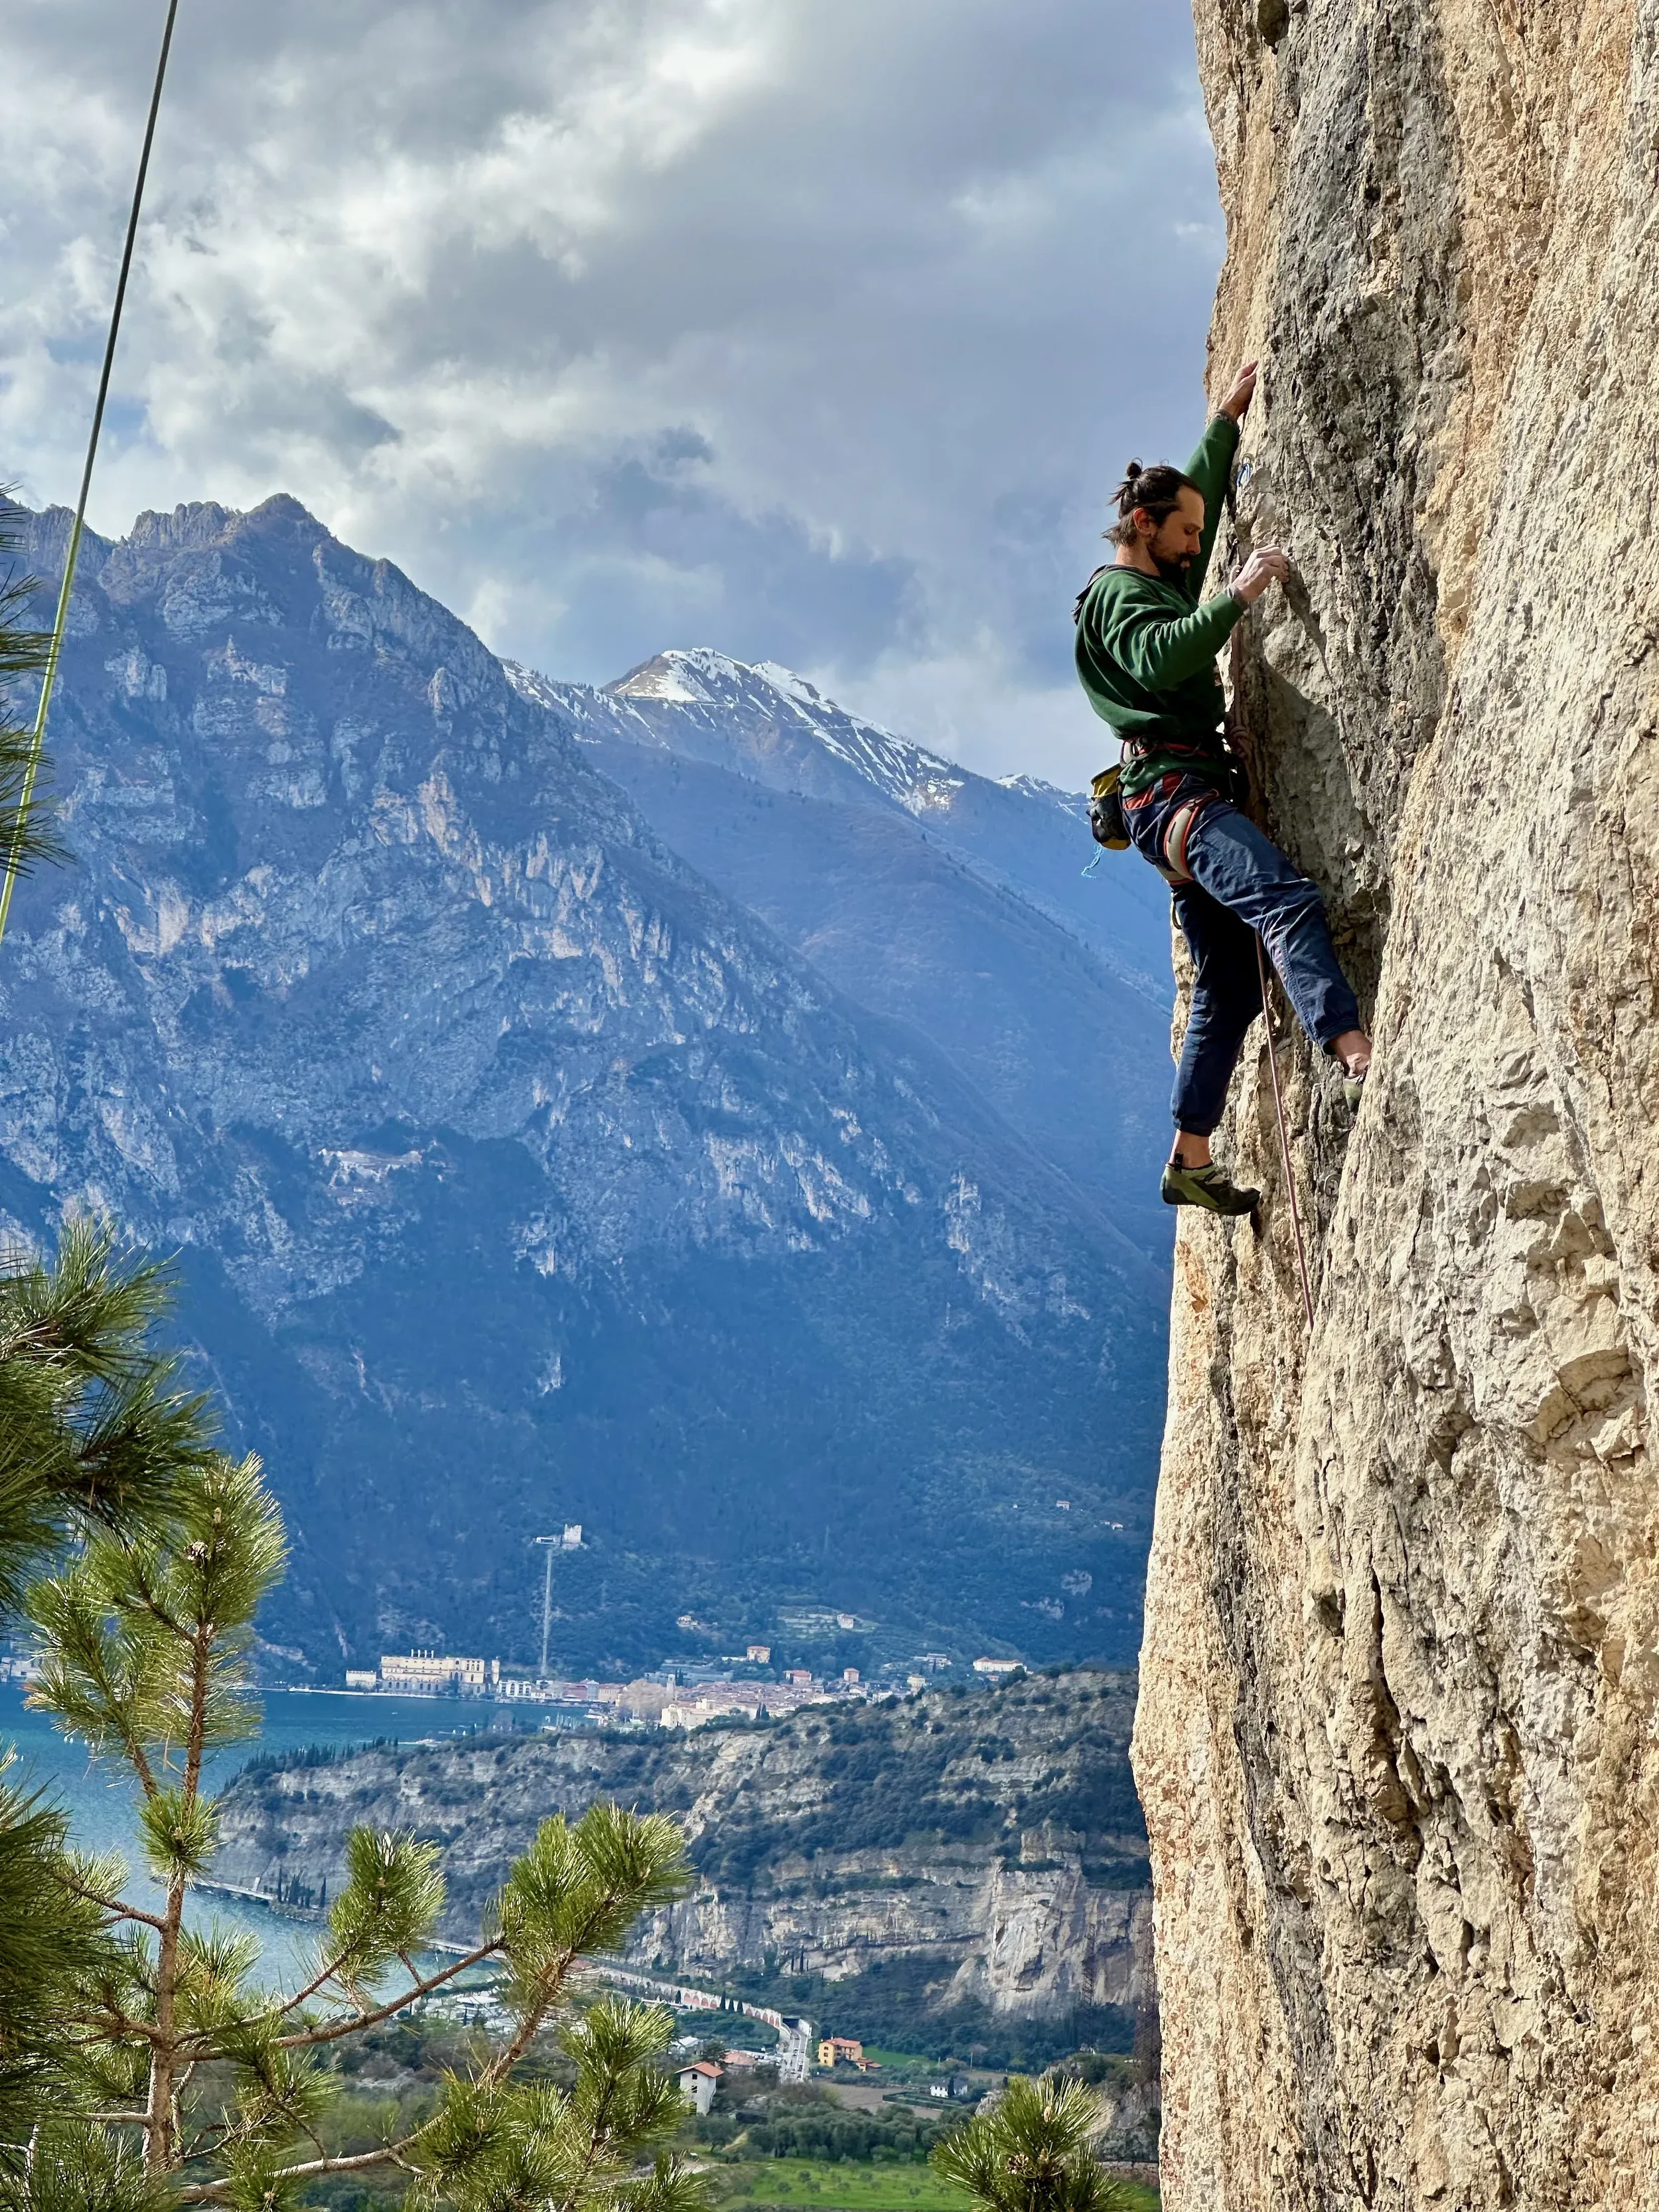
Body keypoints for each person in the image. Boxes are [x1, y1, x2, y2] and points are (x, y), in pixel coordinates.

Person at [1073, 360, 1372, 1217]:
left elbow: (1190, 494)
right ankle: (1350, 1048)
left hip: (1164, 805)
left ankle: (1189, 1158)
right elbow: (1164, 656)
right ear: (1143, 524)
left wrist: (1224, 424)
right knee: (1281, 898)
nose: (1200, 545)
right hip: (1177, 799)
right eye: (1188, 533)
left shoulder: (1148, 578)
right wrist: (1238, 596)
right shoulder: (1125, 598)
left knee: (1232, 989)